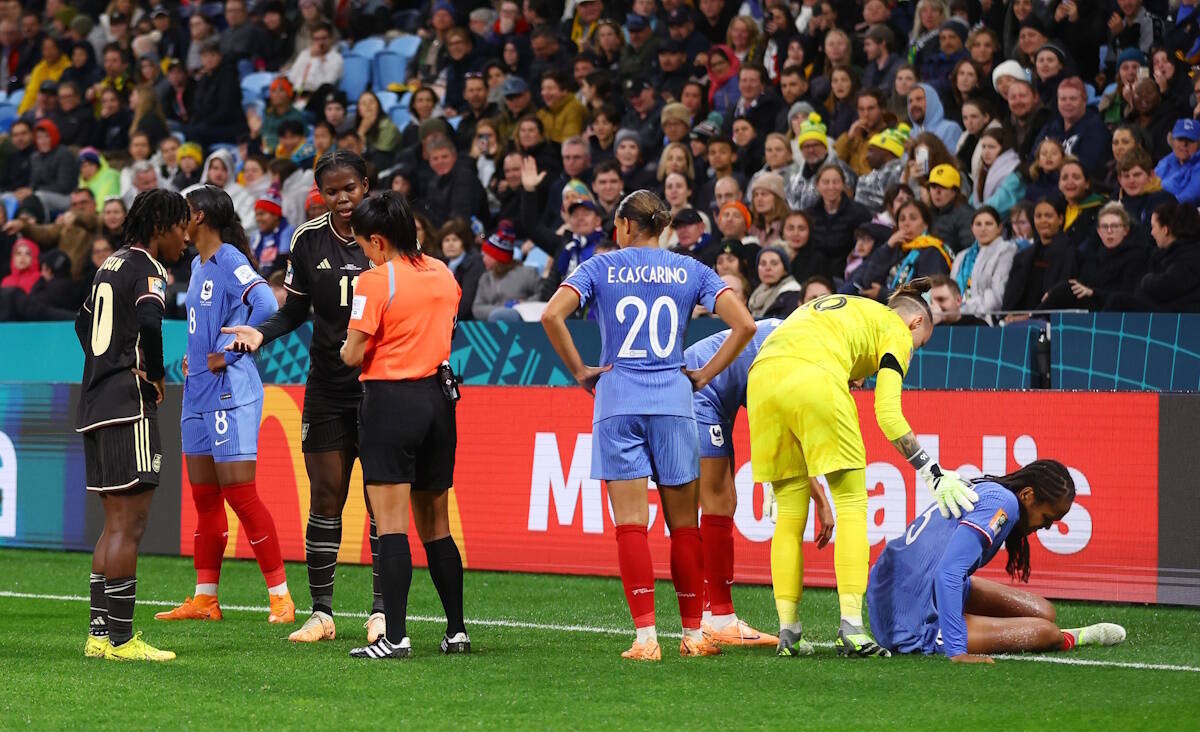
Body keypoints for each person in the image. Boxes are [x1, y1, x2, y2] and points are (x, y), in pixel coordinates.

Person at [541, 190, 756, 660]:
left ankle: (645, 639)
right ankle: (694, 635)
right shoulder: (691, 270)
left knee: (631, 527)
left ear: (622, 224)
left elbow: (551, 315)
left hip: (618, 399)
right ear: (662, 227)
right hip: (675, 402)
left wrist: (580, 371)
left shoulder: (600, 266)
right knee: (685, 527)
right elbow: (745, 325)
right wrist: (703, 374)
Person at [747, 280, 978, 657]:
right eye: (920, 344)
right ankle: (852, 630)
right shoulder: (895, 330)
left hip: (760, 377)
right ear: (915, 322)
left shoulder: (849, 307)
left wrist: (846, 369)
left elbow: (825, 342)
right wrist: (931, 472)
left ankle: (788, 632)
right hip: (814, 376)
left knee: (790, 513)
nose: (913, 351)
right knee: (852, 503)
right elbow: (887, 413)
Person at [222, 151, 386, 644]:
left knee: (381, 501)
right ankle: (322, 613)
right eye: (332, 191)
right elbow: (294, 311)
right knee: (326, 498)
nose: (343, 199)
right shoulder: (307, 238)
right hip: (327, 389)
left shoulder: (390, 233)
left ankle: (381, 611)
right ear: (320, 193)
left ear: (365, 184)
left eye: (351, 188)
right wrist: (259, 333)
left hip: (380, 387)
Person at [154, 185, 292, 625]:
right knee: (205, 496)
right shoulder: (197, 265)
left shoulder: (231, 258)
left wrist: (229, 351)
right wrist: (196, 352)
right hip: (196, 392)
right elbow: (207, 323)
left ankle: (281, 598)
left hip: (230, 390)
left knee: (240, 493)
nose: (180, 219)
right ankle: (205, 599)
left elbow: (267, 303)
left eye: (185, 211)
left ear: (201, 217)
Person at [339, 192, 467, 660]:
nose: (363, 254)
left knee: (391, 524)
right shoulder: (442, 272)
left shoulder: (376, 280)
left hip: (392, 402)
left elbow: (353, 353)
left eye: (363, 245)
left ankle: (395, 636)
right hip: (439, 400)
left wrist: (349, 348)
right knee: (437, 523)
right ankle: (456, 631)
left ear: (378, 240)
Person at [77, 188, 190, 662]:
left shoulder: (111, 264)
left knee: (113, 524)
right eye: (181, 227)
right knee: (131, 525)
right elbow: (150, 318)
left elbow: (82, 323)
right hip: (129, 402)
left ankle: (99, 635)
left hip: (95, 401)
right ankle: (123, 640)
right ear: (160, 226)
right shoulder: (149, 267)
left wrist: (105, 362)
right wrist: (154, 372)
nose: (186, 237)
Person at [868, 459, 1126, 662]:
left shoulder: (994, 493)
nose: (1047, 526)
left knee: (1044, 611)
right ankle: (1070, 638)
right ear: (1027, 495)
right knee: (1047, 633)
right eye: (1047, 517)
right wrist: (957, 651)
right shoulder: (1004, 505)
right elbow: (947, 573)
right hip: (908, 619)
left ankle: (965, 622)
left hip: (903, 588)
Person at [682, 319, 835, 648]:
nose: (856, 384)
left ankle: (712, 614)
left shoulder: (806, 341)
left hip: (712, 391)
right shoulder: (805, 358)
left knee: (725, 502)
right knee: (717, 501)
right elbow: (785, 434)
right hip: (699, 388)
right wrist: (820, 498)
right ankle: (717, 617)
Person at [1042, 202, 1148, 311]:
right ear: (1099, 231)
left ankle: (1033, 318)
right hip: (1093, 307)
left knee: (1066, 290)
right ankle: (1034, 319)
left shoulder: (1136, 257)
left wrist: (1093, 293)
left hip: (1116, 312)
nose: (1109, 231)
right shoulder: (1094, 256)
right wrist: (1054, 293)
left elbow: (1126, 296)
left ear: (1126, 230)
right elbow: (1082, 285)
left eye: (1115, 226)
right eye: (1105, 227)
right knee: (1065, 289)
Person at [951, 207, 1017, 317]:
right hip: (958, 315)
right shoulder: (961, 256)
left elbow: (997, 296)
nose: (983, 229)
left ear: (999, 228)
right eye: (978, 224)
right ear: (972, 228)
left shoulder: (1007, 250)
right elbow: (951, 289)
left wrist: (965, 309)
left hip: (987, 319)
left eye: (988, 224)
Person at [748, 247, 802, 319]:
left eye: (774, 263)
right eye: (763, 264)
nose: (767, 268)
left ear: (785, 270)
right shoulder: (756, 293)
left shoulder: (792, 295)